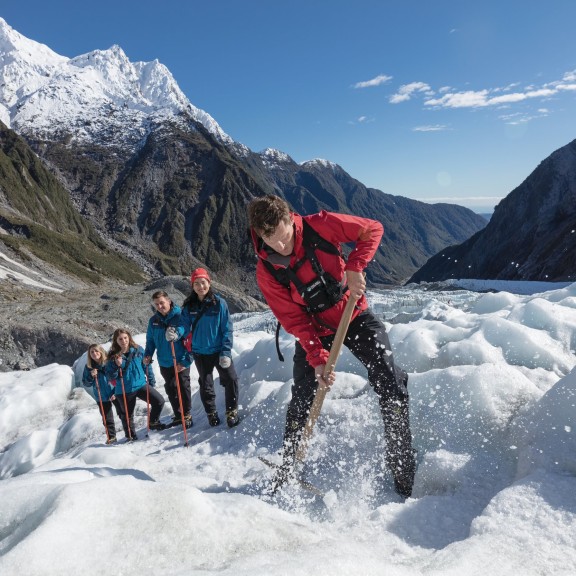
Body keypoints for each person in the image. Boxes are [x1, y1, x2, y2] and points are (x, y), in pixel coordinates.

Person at [247, 194, 416, 498]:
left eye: (286, 239)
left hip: (353, 313)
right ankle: (289, 465)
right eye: (273, 242)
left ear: (290, 219)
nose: (283, 248)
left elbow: (372, 229)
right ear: (260, 235)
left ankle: (402, 466)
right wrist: (317, 356)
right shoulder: (267, 271)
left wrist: (355, 265)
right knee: (302, 396)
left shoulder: (320, 226)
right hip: (314, 327)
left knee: (390, 379)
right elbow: (294, 318)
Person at [181, 268, 240, 428]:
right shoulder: (189, 306)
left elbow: (226, 328)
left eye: (203, 283)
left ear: (209, 283)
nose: (201, 287)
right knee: (206, 384)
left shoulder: (219, 303)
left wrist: (226, 352)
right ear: (192, 286)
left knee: (231, 379)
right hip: (200, 352)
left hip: (219, 351)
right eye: (197, 284)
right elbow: (184, 326)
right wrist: (176, 332)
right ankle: (211, 413)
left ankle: (231, 411)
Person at [105, 328, 166, 441]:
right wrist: (116, 365)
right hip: (124, 389)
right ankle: (130, 435)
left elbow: (146, 366)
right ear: (116, 341)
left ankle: (153, 422)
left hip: (140, 384)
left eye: (125, 338)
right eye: (120, 339)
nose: (123, 341)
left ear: (129, 337)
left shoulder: (138, 350)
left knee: (159, 401)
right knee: (128, 416)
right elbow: (110, 376)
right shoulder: (113, 356)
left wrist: (151, 381)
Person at [144, 290, 193, 429]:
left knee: (182, 387)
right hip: (164, 361)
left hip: (179, 360)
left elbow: (190, 339)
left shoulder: (180, 316)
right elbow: (150, 340)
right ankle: (178, 415)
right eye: (156, 304)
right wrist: (148, 354)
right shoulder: (153, 321)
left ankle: (186, 414)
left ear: (169, 301)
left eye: (162, 303)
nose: (159, 306)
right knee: (171, 389)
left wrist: (186, 361)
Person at [82, 344, 120, 444]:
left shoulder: (109, 363)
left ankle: (130, 432)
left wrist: (116, 391)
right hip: (101, 395)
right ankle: (112, 437)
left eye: (96, 351)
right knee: (107, 418)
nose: (94, 353)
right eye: (92, 352)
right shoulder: (89, 367)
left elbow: (119, 377)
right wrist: (91, 375)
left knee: (122, 412)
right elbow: (86, 383)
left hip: (114, 392)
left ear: (101, 351)